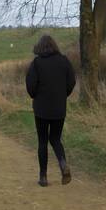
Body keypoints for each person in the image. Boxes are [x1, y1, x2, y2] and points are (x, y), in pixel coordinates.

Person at [25, 35, 76, 187]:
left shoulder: (37, 63)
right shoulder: (64, 61)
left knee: (42, 141)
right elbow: (71, 82)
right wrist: (62, 95)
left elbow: (30, 86)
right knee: (55, 139)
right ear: (54, 45)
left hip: (41, 109)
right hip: (59, 108)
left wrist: (35, 96)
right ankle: (62, 164)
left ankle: (43, 177)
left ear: (39, 47)